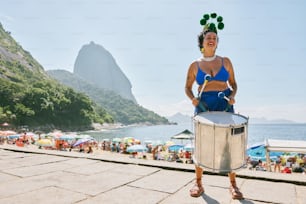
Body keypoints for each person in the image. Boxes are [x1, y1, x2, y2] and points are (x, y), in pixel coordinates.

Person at [185, 13, 243, 199]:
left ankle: (233, 185)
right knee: (202, 144)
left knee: (229, 144)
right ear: (202, 42)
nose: (211, 40)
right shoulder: (194, 65)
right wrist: (193, 99)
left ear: (217, 42)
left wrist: (233, 95)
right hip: (203, 104)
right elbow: (187, 87)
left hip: (224, 102)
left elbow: (234, 84)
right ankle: (198, 183)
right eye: (208, 37)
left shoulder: (226, 61)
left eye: (214, 38)